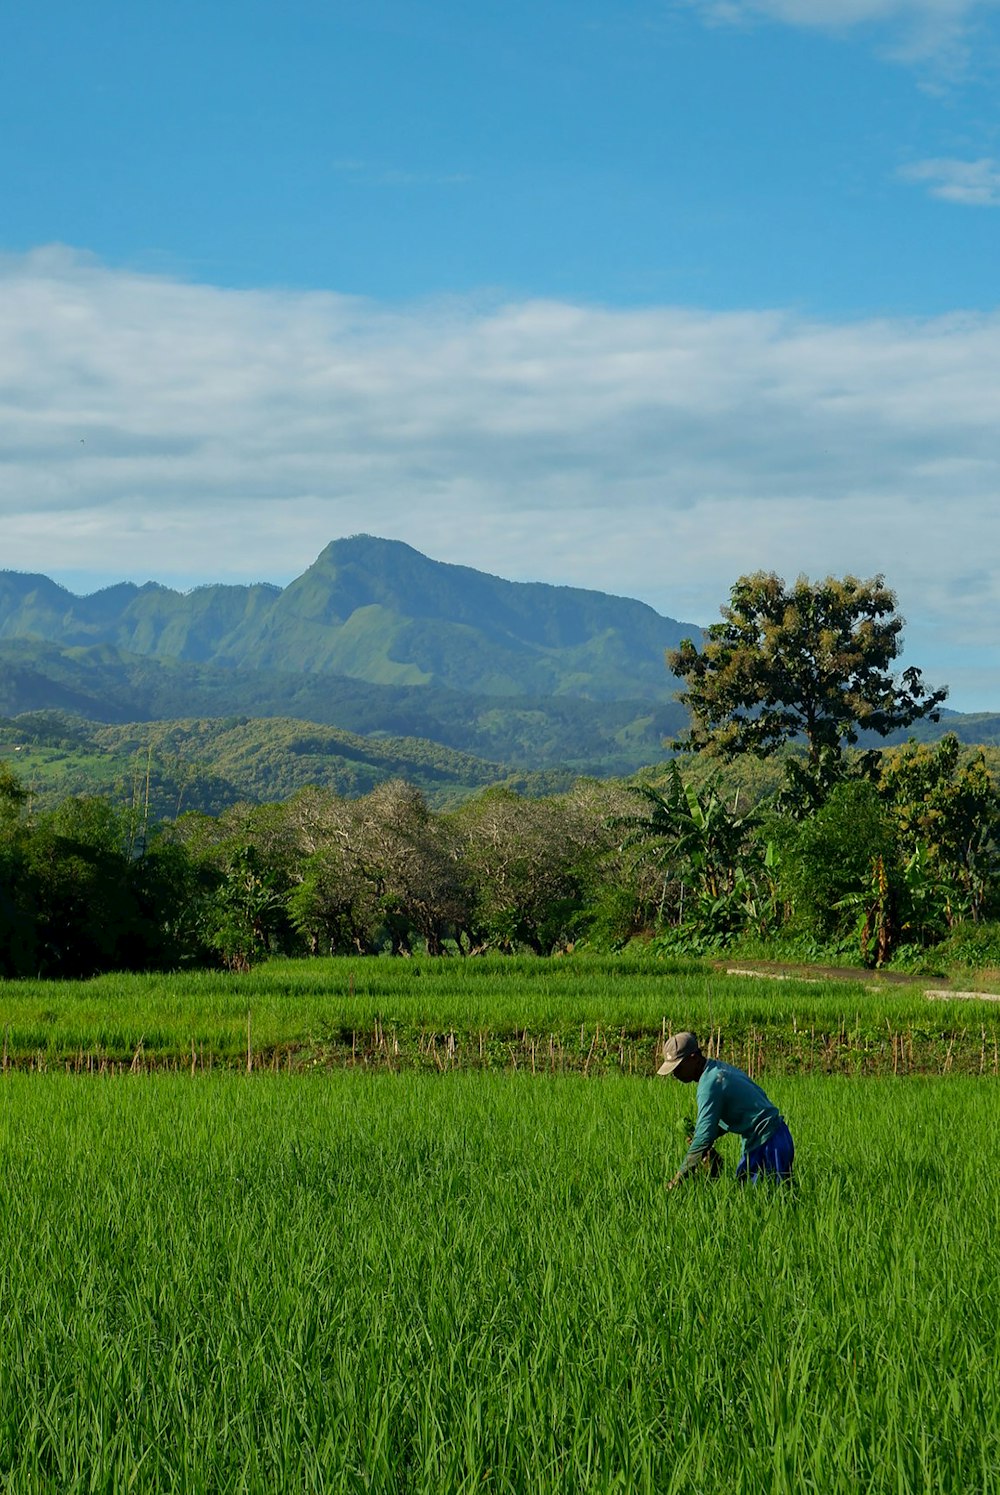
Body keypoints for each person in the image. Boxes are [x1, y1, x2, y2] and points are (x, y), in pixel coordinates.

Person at [658, 1031, 794, 1188]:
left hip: (768, 1143)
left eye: (678, 1067)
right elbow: (739, 1111)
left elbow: (704, 1136)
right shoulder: (717, 1070)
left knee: (767, 1199)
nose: (675, 1073)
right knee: (752, 1195)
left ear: (693, 1058)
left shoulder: (709, 1085)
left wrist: (677, 1180)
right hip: (771, 1137)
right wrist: (706, 1139)